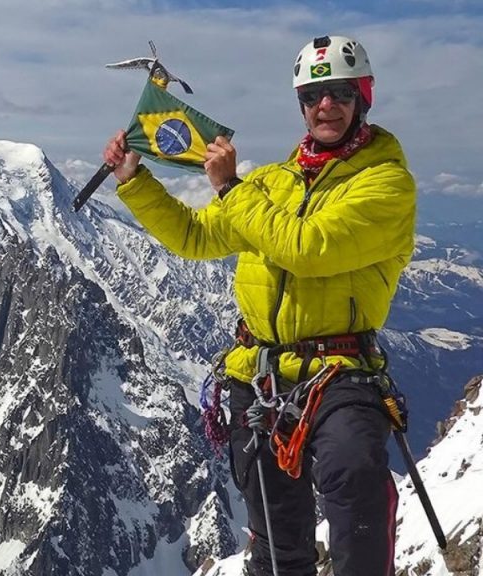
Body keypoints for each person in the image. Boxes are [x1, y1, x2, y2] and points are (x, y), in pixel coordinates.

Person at [103, 35, 415, 576]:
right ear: (301, 104)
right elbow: (195, 237)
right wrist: (135, 179)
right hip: (262, 376)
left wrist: (230, 188)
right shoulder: (273, 181)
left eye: (340, 92)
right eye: (315, 95)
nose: (326, 105)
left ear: (362, 96)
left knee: (353, 472)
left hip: (337, 372)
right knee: (275, 540)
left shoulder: (386, 184)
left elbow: (308, 247)